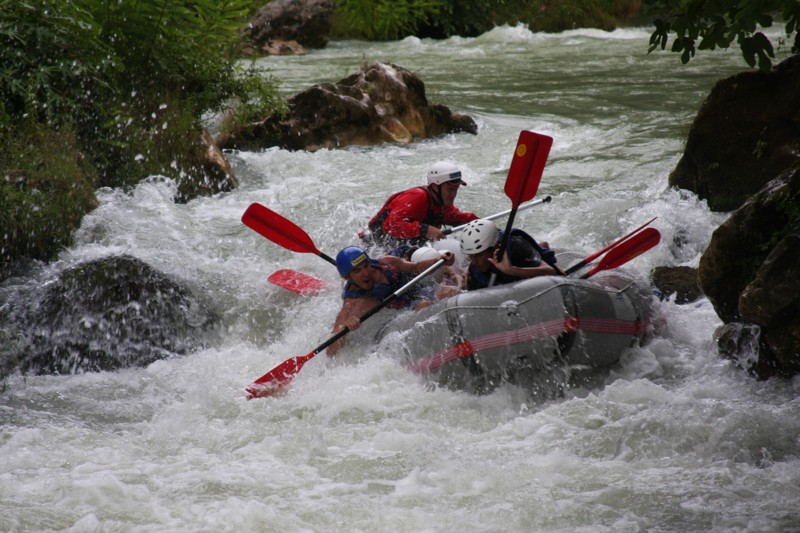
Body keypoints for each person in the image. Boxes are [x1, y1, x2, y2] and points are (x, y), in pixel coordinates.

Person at [327, 245, 456, 356]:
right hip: (404, 310)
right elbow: (331, 350)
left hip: (418, 289)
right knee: (423, 305)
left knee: (450, 291)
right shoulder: (353, 301)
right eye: (357, 271)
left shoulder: (386, 263)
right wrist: (345, 327)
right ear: (347, 277)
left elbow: (415, 267)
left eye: (366, 266)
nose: (365, 273)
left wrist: (439, 260)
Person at [364, 161, 478, 250]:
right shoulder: (418, 197)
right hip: (376, 246)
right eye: (450, 189)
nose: (454, 194)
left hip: (403, 248)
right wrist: (425, 230)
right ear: (435, 186)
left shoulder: (441, 204)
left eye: (456, 189)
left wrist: (483, 225)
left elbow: (459, 217)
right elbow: (391, 225)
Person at [459, 219, 557, 291]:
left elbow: (554, 272)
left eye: (479, 255)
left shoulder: (516, 246)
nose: (475, 262)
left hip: (523, 260)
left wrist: (512, 270)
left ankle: (541, 246)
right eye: (471, 256)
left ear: (496, 247)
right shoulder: (474, 270)